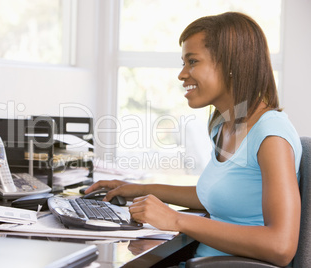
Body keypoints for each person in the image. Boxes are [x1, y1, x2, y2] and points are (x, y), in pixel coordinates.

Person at [86, 12, 302, 267]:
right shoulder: (225, 125)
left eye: (192, 61)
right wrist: (140, 189)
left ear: (231, 65)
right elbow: (217, 195)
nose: (181, 74)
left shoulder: (271, 136)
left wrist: (176, 220)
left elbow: (281, 246)